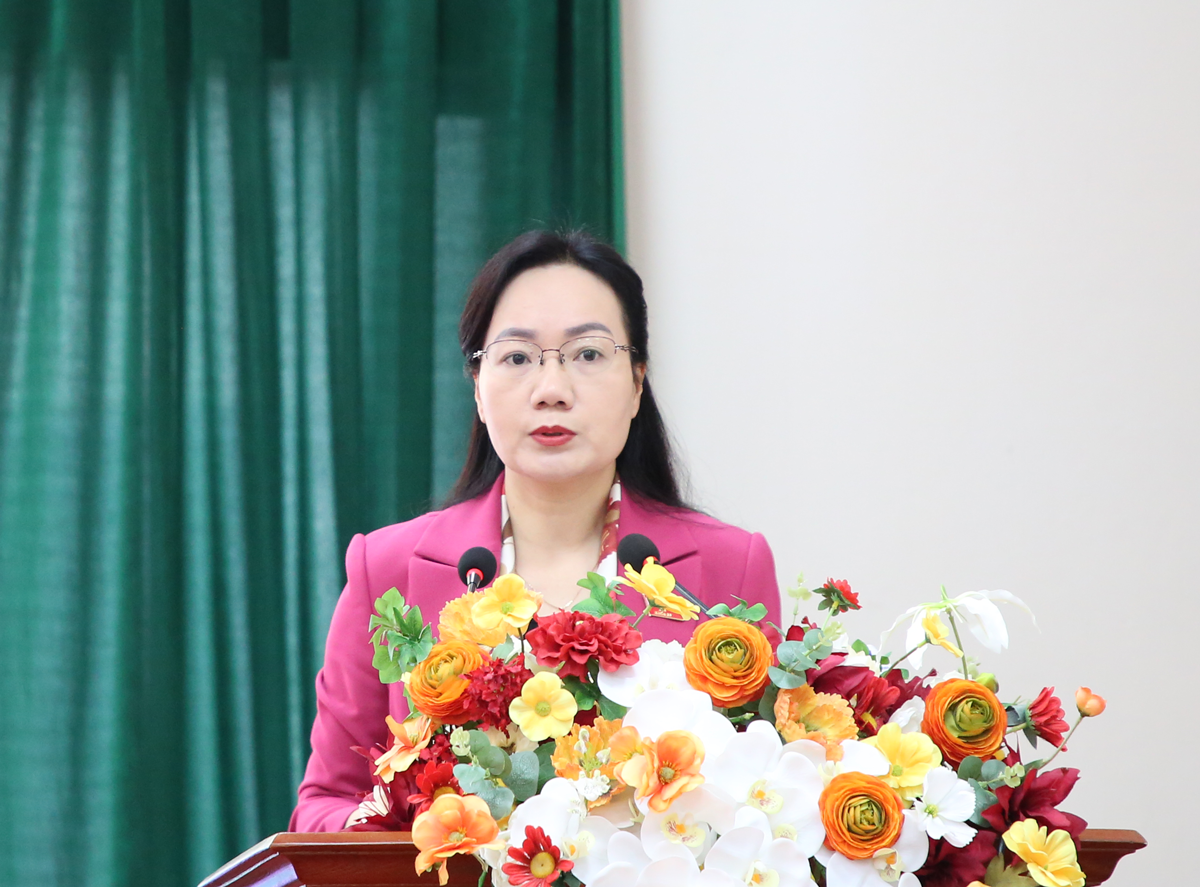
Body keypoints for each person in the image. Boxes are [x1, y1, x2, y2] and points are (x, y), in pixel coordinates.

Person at [290, 230, 781, 832]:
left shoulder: (731, 566)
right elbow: (324, 805)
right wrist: (431, 837)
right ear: (477, 386)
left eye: (588, 354)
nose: (551, 391)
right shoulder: (387, 569)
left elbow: (767, 791)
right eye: (518, 358)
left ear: (637, 382)